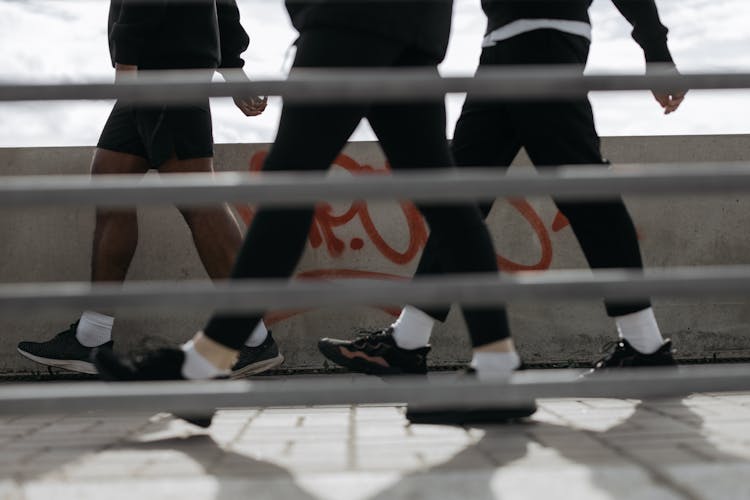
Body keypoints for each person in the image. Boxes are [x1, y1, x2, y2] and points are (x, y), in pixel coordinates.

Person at [92, 0, 538, 426]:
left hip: (345, 22)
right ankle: (497, 369)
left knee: (291, 191)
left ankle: (203, 364)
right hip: (414, 23)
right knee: (442, 195)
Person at [318, 0, 686, 377]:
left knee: (584, 189)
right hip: (499, 47)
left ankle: (646, 347)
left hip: (545, 37)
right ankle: (406, 342)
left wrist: (656, 49)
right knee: (461, 199)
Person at [17, 0, 282, 379]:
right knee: (110, 182)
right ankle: (91, 337)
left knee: (198, 201)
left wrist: (128, 62)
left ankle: (252, 338)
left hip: (161, 69)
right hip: (164, 64)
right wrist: (233, 67)